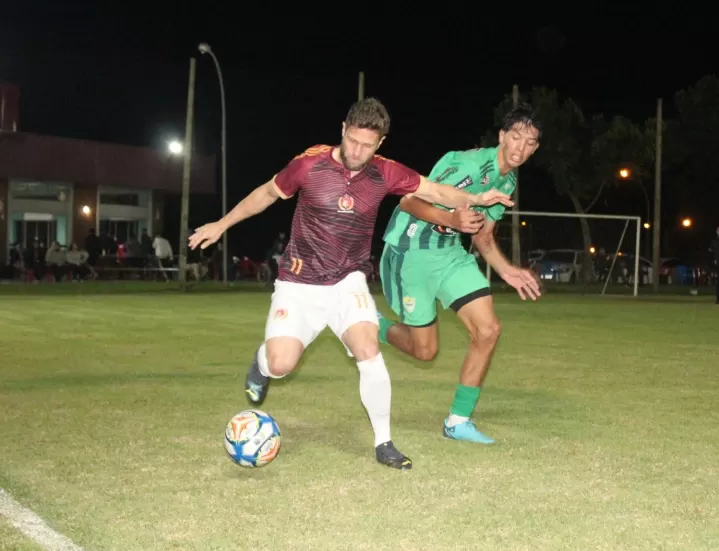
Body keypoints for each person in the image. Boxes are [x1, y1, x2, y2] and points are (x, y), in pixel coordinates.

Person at [189, 98, 513, 470]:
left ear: (380, 143)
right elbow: (266, 193)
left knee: (367, 348)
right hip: (299, 283)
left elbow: (435, 191)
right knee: (281, 364)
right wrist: (221, 225)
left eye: (367, 145)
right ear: (343, 129)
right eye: (353, 141)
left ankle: (384, 442)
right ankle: (262, 365)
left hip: (348, 281)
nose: (357, 151)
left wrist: (475, 198)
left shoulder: (385, 172)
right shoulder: (309, 164)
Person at [377, 105, 542, 444]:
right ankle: (368, 324)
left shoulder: (508, 180)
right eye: (515, 137)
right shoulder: (468, 165)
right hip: (411, 251)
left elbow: (483, 236)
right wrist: (451, 219)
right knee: (424, 351)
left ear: (535, 148)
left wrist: (507, 270)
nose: (520, 148)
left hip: (451, 255)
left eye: (530, 143)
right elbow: (408, 201)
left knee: (488, 330)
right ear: (502, 136)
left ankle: (458, 421)